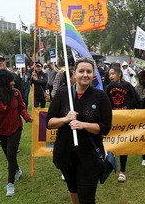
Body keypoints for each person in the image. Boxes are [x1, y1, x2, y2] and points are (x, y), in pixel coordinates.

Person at [46, 58, 112, 204]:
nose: (85, 74)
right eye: (81, 71)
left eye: (89, 71)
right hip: (66, 155)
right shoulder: (63, 94)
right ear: (74, 73)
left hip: (89, 157)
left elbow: (106, 127)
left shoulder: (100, 96)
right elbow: (49, 123)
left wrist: (83, 125)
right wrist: (64, 119)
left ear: (93, 75)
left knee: (87, 197)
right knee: (73, 190)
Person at [0, 69, 32, 197]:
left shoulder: (16, 93)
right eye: (11, 81)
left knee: (11, 155)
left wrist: (27, 117)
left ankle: (10, 184)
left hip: (15, 128)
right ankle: (17, 170)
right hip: (0, 130)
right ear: (4, 82)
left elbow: (22, 108)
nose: (13, 83)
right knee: (9, 156)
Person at [105, 64, 141, 183]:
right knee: (111, 144)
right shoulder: (108, 87)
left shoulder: (128, 86)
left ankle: (122, 172)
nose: (111, 76)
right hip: (113, 121)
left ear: (119, 74)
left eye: (113, 73)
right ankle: (108, 166)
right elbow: (104, 103)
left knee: (124, 145)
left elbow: (136, 100)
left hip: (125, 120)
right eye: (109, 74)